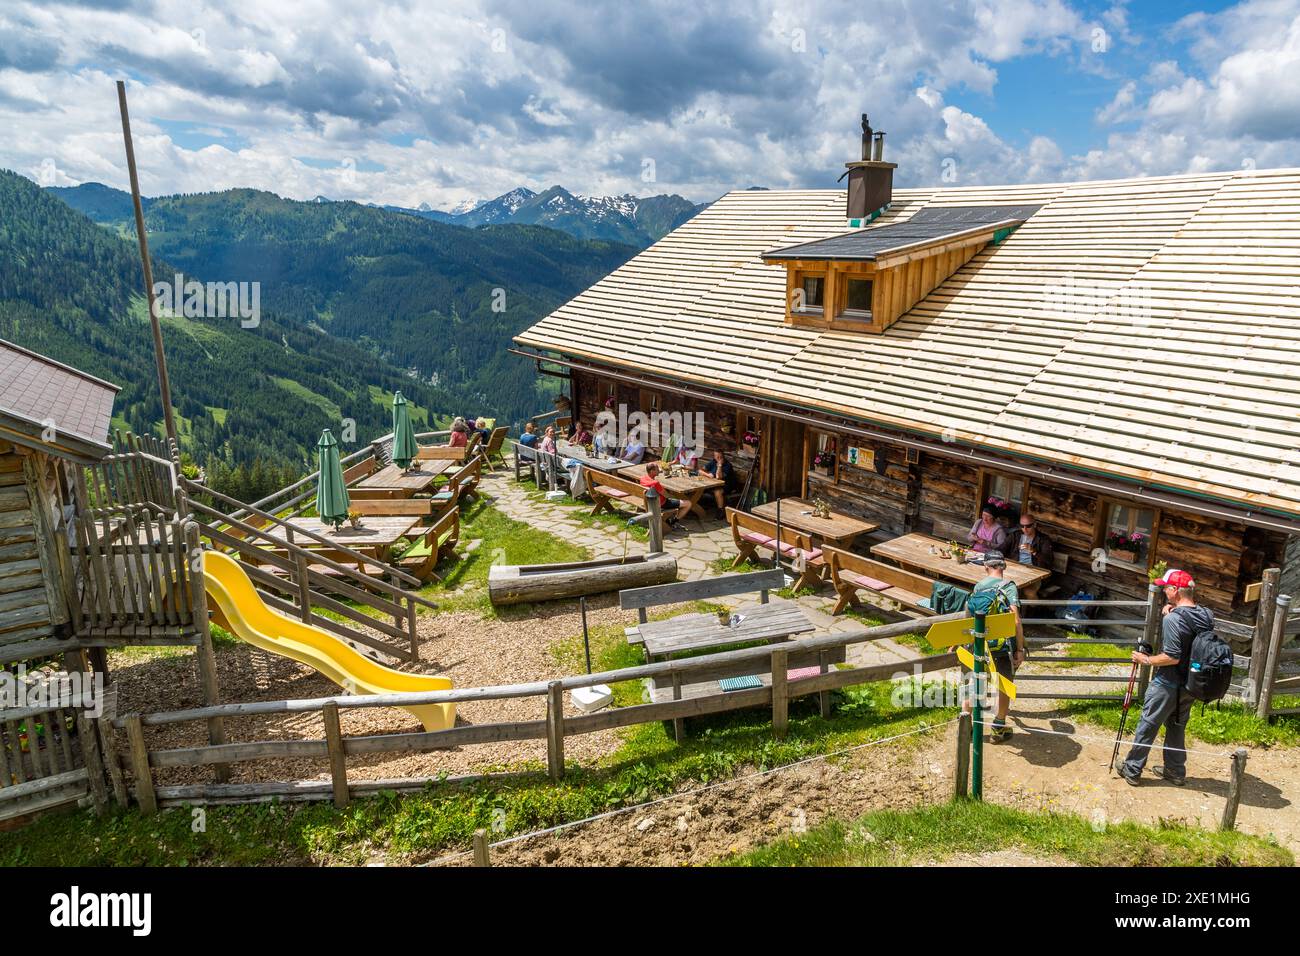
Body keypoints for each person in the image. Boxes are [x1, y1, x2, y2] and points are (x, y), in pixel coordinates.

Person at [1118, 569, 1209, 787]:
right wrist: (1173, 612)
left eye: (1166, 587)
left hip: (1167, 683)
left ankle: (1132, 769)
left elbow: (1172, 656)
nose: (1164, 591)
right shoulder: (1205, 615)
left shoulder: (1174, 620)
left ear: (1176, 590)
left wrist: (1145, 659)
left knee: (1148, 724)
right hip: (1192, 684)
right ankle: (1175, 771)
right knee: (1177, 726)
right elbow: (1189, 636)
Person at [963, 551, 1025, 742]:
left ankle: (966, 723)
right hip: (1002, 647)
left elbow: (969, 618)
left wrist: (967, 643)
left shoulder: (978, 587)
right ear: (1003, 567)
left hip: (981, 644)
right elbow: (1015, 621)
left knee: (976, 682)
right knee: (1004, 686)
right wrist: (1020, 649)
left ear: (986, 566)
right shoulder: (1009, 587)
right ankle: (998, 728)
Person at [638, 461, 690, 530]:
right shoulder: (655, 483)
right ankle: (673, 522)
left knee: (676, 498)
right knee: (688, 503)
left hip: (649, 502)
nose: (659, 470)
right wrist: (674, 496)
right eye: (657, 469)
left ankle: (670, 518)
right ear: (652, 471)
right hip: (661, 504)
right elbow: (666, 496)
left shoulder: (643, 478)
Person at [701, 449, 737, 517]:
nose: (719, 458)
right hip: (714, 484)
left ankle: (720, 510)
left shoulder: (727, 465)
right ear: (714, 457)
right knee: (700, 487)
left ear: (723, 456)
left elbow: (718, 477)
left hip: (727, 485)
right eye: (717, 457)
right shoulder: (713, 462)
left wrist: (719, 466)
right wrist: (708, 475)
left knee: (717, 491)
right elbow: (700, 470)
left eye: (720, 457)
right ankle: (700, 505)